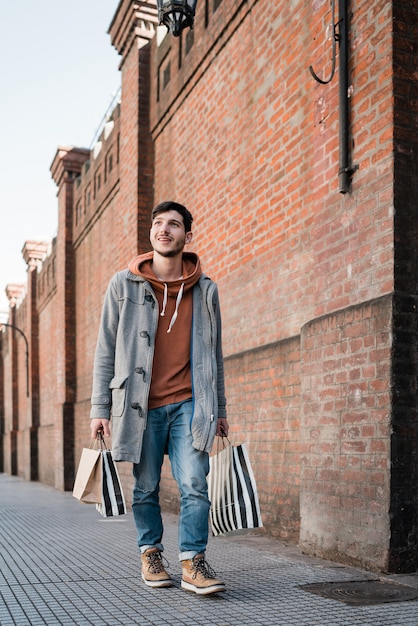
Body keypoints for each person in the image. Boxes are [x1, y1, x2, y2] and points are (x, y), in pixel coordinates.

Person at [90, 201, 229, 595]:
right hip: (140, 407)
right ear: (151, 233)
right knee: (146, 486)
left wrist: (220, 409)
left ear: (188, 234)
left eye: (173, 224)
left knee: (194, 484)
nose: (163, 230)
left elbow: (214, 355)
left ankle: (192, 562)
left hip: (191, 404)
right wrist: (100, 408)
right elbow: (105, 349)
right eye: (157, 224)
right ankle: (150, 552)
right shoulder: (123, 285)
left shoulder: (206, 290)